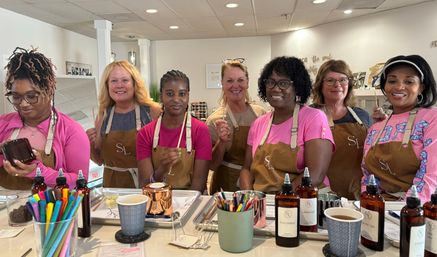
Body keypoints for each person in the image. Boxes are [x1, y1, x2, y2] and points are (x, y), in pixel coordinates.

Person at [239, 56, 335, 193]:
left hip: (304, 201)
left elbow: (315, 175)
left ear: (297, 87)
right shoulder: (258, 124)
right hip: (264, 203)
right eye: (271, 82)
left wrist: (281, 198)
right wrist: (250, 197)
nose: (276, 88)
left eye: (284, 83)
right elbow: (246, 169)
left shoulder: (313, 118)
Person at [0, 47, 90, 189]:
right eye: (16, 97)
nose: (23, 104)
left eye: (31, 96)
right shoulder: (3, 124)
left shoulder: (71, 131)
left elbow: (79, 180)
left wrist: (39, 172)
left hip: (51, 209)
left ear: (49, 91)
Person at [362, 55, 437, 202]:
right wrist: (369, 204)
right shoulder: (377, 126)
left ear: (421, 87)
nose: (399, 87)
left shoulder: (431, 118)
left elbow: (432, 173)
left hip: (417, 210)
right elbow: (367, 174)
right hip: (379, 207)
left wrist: (407, 208)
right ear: (384, 86)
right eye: (392, 80)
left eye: (409, 81)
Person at [87, 60, 161, 188]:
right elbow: (99, 160)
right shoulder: (103, 116)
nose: (119, 85)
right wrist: (89, 144)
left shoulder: (152, 111)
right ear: (107, 86)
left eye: (125, 80)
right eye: (114, 81)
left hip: (144, 185)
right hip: (112, 187)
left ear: (134, 84)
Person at [137, 70, 212, 192]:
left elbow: (199, 183)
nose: (176, 99)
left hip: (192, 201)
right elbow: (145, 185)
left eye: (182, 94)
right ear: (161, 96)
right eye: (170, 94)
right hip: (157, 201)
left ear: (188, 96)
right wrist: (162, 169)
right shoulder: (145, 133)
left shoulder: (200, 130)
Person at [312, 60, 371, 200]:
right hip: (319, 194)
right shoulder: (309, 115)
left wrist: (383, 125)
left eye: (342, 79)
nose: (337, 85)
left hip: (356, 194)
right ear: (320, 84)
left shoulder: (361, 116)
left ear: (349, 84)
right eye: (330, 80)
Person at [206, 59, 266, 194]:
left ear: (247, 82)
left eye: (240, 80)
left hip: (259, 182)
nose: (235, 85)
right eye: (229, 81)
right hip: (227, 186)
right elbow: (212, 165)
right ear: (222, 84)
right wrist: (221, 142)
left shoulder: (261, 114)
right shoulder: (215, 120)